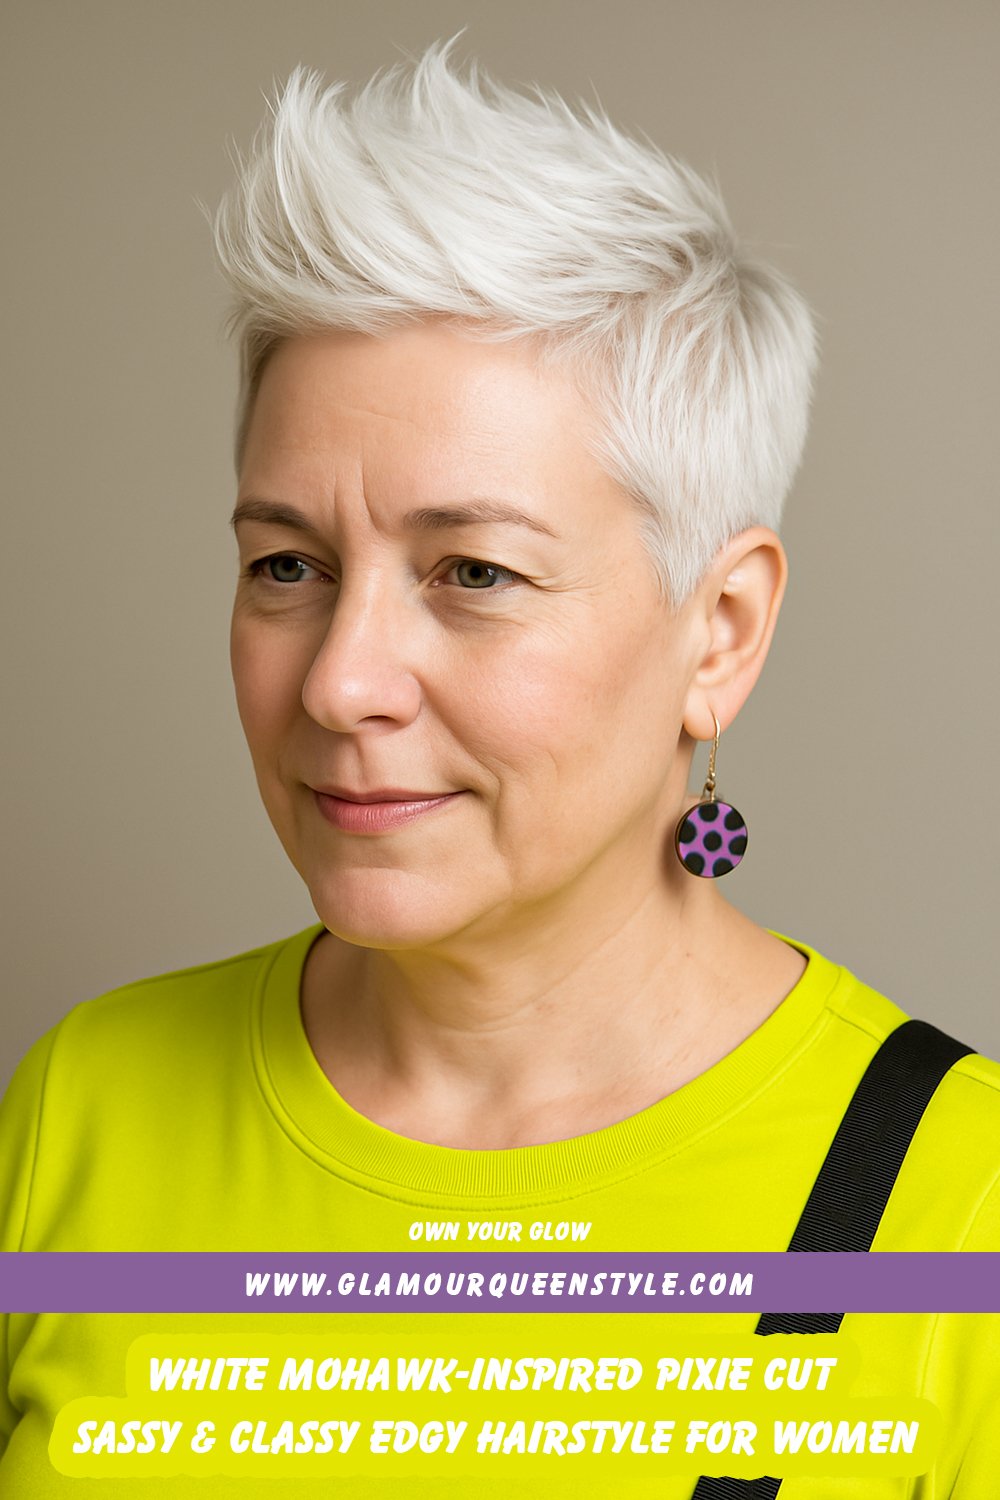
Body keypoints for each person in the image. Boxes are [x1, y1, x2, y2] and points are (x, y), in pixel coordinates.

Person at [1, 33, 997, 1499]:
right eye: (288, 563)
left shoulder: (951, 1208)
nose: (339, 680)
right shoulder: (81, 1108)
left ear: (718, 633)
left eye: (472, 571)